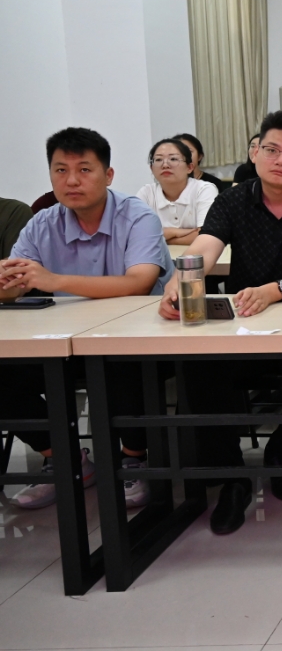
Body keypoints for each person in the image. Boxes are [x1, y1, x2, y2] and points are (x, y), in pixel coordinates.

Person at [160, 112, 282, 535]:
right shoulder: (233, 199)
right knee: (198, 366)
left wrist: (274, 291)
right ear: (256, 152)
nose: (280, 160)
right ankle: (233, 477)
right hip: (244, 325)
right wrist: (177, 286)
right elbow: (203, 250)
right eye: (272, 150)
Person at [1, 127, 173, 511]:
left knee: (119, 364)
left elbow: (140, 283)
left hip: (139, 340)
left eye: (84, 169)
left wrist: (54, 280)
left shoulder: (137, 216)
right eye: (61, 170)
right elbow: (16, 285)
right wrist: (6, 285)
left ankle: (134, 458)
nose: (72, 181)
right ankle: (64, 458)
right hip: (64, 342)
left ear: (108, 175)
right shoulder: (42, 223)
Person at [137, 137, 218, 245]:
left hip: (197, 253)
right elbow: (137, 234)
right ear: (151, 168)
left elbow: (208, 235)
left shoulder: (204, 190)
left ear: (189, 167)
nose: (165, 165)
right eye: (159, 160)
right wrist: (174, 232)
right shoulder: (146, 193)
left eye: (173, 159)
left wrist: (162, 237)